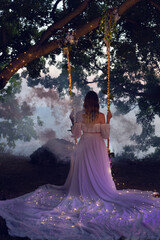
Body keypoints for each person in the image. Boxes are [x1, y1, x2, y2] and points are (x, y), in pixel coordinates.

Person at [0, 91, 160, 240]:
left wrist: (73, 120)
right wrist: (108, 121)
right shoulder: (102, 115)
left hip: (84, 145)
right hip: (97, 145)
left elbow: (76, 135)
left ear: (85, 102)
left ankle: (83, 189)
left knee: (83, 169)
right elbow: (105, 136)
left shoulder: (80, 115)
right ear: (97, 103)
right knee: (99, 171)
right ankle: (98, 189)